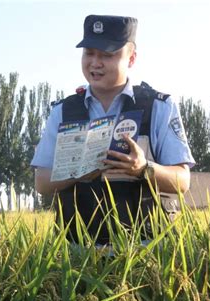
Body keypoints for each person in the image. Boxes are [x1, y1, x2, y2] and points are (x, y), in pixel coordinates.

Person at [31, 15, 195, 245]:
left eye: (107, 55)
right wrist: (78, 171)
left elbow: (182, 181)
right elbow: (42, 183)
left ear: (131, 59)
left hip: (147, 252)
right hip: (79, 254)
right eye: (89, 53)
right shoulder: (63, 111)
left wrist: (143, 168)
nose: (95, 63)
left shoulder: (158, 107)